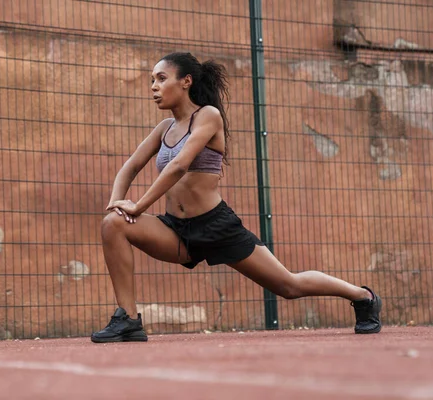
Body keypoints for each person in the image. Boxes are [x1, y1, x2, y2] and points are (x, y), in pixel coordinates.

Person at [90, 52, 381, 343]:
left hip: (217, 227)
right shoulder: (164, 129)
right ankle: (128, 319)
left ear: (186, 82)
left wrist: (139, 205)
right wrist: (118, 202)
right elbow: (129, 167)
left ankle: (363, 296)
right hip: (176, 231)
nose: (153, 86)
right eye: (152, 80)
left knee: (288, 286)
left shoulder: (208, 116)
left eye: (161, 78)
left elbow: (179, 165)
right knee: (112, 223)